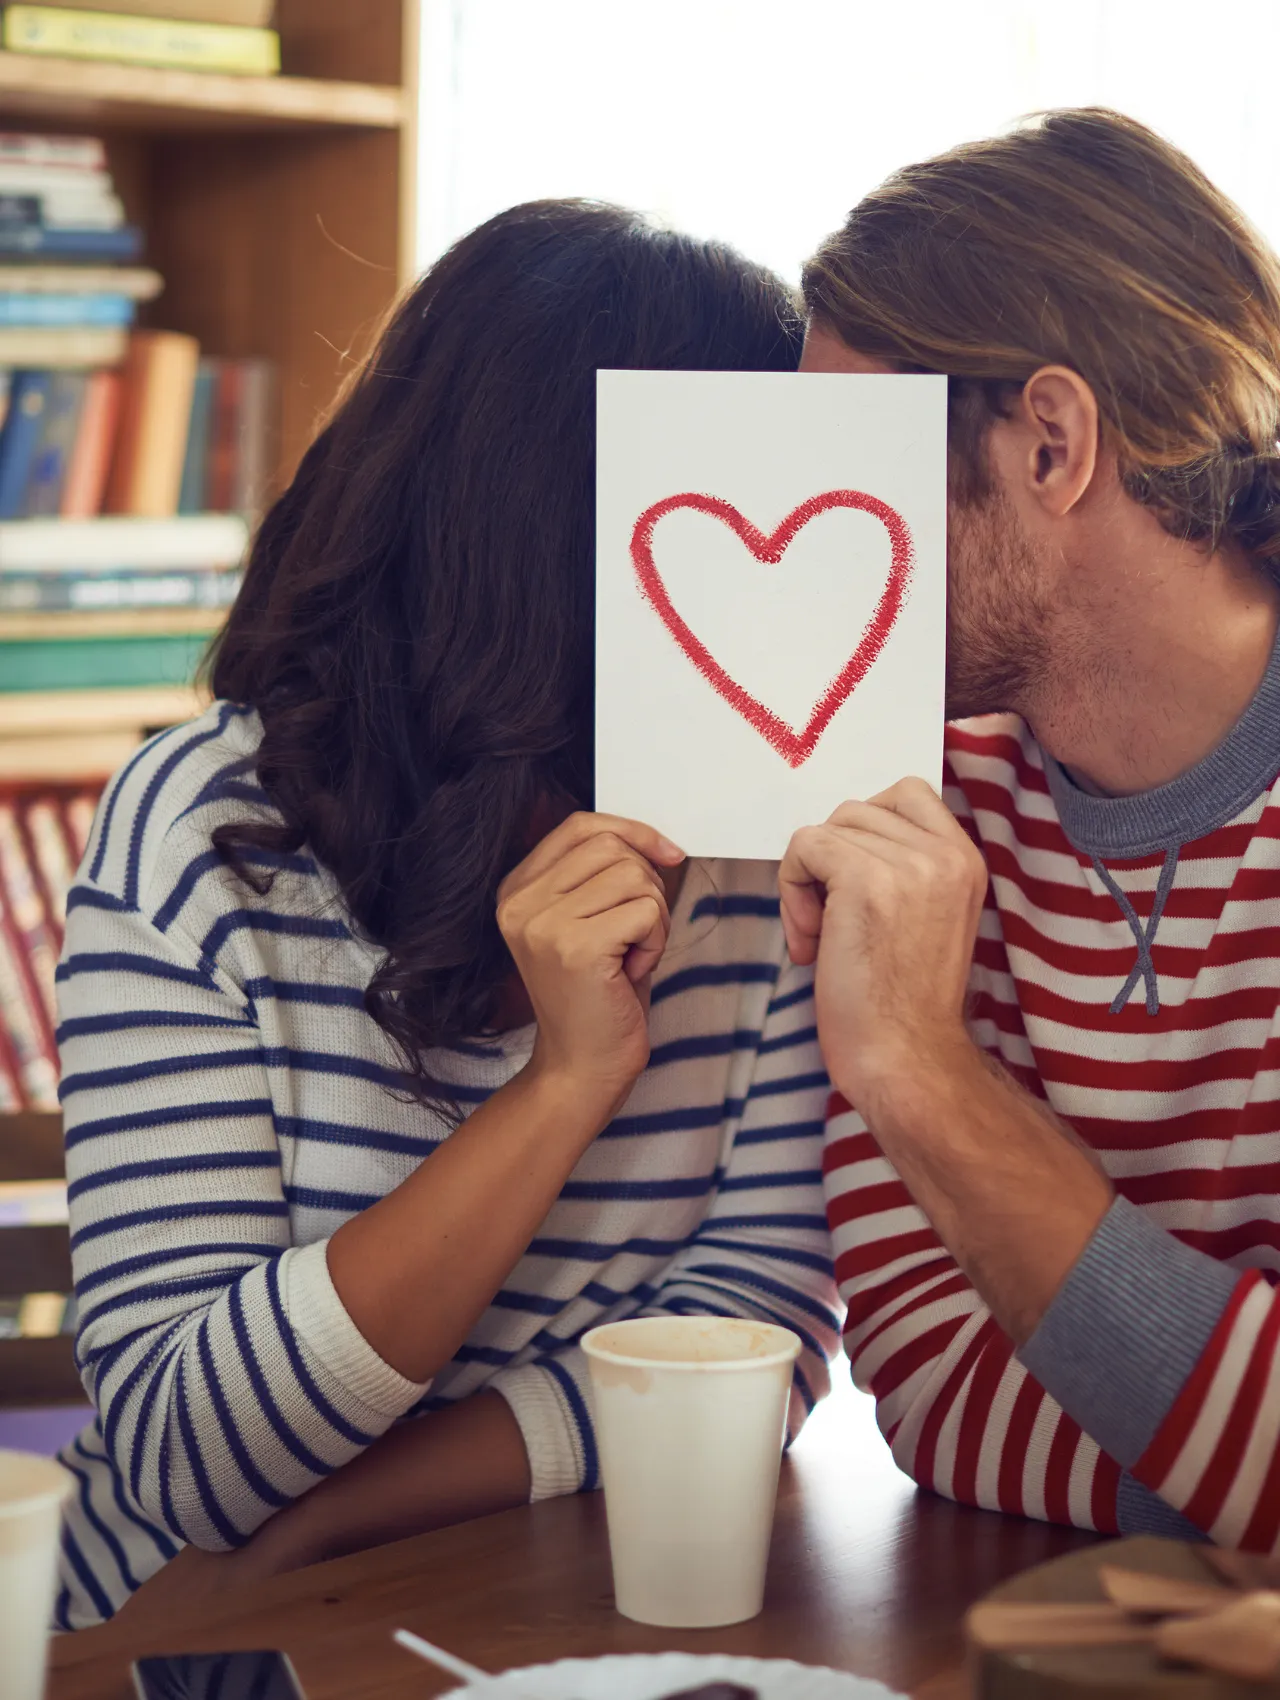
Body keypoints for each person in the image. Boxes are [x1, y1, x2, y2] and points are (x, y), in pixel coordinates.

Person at [54, 199, 840, 1629]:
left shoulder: (756, 848)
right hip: (192, 1636)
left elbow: (759, 1337)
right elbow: (184, 1457)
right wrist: (560, 1092)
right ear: (579, 530)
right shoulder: (201, 835)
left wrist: (351, 1513)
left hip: (549, 1602)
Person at [790, 108, 1280, 1548]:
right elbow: (934, 1384)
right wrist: (1227, 1454)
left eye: (851, 465)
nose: (816, 537)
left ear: (1052, 442)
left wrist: (924, 1076)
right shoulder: (917, 791)